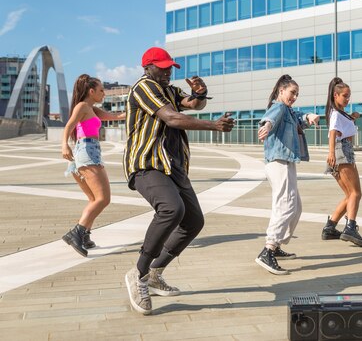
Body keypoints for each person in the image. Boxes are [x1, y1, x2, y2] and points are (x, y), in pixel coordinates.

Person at [123, 47, 235, 315]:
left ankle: (154, 273)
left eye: (170, 67)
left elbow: (192, 104)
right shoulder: (144, 87)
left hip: (174, 166)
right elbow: (172, 118)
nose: (167, 71)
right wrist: (213, 126)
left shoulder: (169, 90)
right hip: (147, 163)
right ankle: (137, 274)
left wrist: (199, 93)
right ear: (148, 67)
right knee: (171, 209)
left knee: (194, 220)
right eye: (162, 67)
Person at [256, 74, 319, 275]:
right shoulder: (280, 107)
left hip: (287, 161)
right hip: (278, 162)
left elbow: (299, 117)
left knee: (296, 207)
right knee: (286, 204)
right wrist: (266, 125)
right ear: (281, 91)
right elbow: (271, 117)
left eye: (297, 94)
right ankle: (268, 250)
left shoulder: (289, 111)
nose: (294, 96)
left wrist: (309, 116)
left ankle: (277, 245)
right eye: (292, 92)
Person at [61, 75, 125, 257]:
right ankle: (77, 233)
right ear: (91, 91)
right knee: (103, 199)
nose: (104, 93)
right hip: (87, 152)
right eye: (101, 90)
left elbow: (116, 116)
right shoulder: (82, 106)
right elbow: (69, 125)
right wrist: (64, 144)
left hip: (89, 151)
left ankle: (84, 236)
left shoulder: (92, 109)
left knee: (93, 199)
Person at [321, 77, 362, 247]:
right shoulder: (335, 113)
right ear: (335, 95)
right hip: (341, 151)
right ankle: (350, 228)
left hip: (342, 151)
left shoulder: (341, 113)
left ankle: (330, 227)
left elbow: (343, 125)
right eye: (345, 96)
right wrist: (331, 153)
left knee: (350, 195)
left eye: (349, 96)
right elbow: (333, 132)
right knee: (356, 193)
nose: (348, 99)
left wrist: (353, 117)